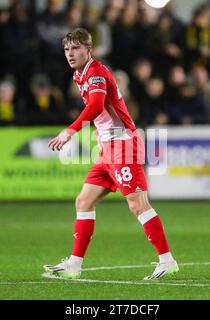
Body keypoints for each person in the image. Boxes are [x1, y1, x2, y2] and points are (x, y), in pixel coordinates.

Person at [44, 28, 178, 280]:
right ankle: (75, 264)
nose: (70, 54)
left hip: (123, 145)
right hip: (108, 149)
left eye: (75, 48)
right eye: (66, 49)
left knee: (137, 204)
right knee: (83, 201)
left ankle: (166, 260)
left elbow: (96, 106)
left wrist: (70, 131)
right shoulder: (79, 75)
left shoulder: (96, 73)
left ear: (89, 49)